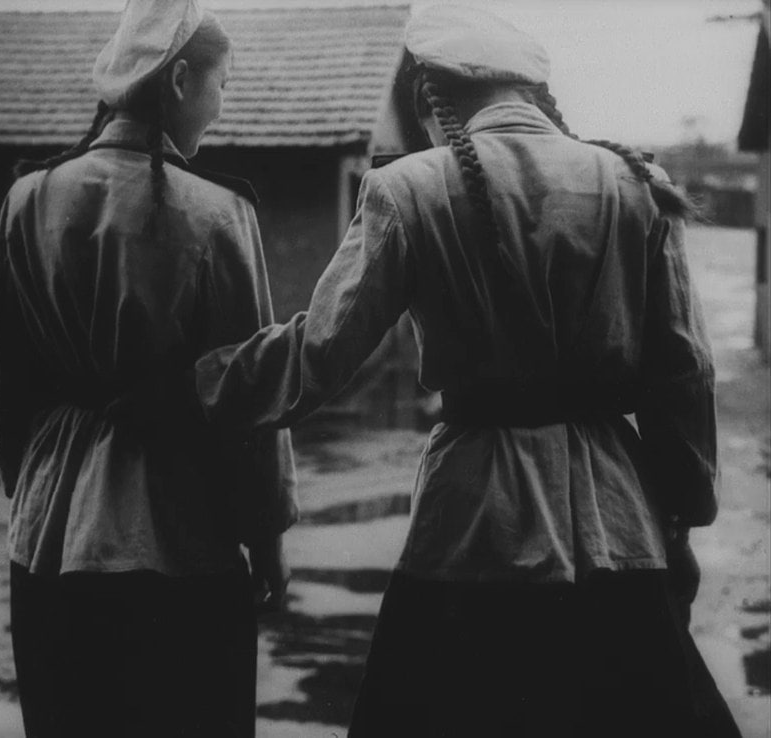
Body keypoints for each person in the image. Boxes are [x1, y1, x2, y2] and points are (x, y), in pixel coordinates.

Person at [195, 5, 740, 737]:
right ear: (534, 91)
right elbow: (685, 375)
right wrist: (682, 519)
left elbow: (319, 352)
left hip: (473, 522)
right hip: (618, 522)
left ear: (430, 97)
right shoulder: (635, 183)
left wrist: (199, 383)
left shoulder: (407, 188)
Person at [0, 2, 297, 736]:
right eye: (221, 85)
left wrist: (32, 498)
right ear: (182, 79)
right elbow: (249, 393)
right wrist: (268, 534)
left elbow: (11, 389)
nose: (220, 108)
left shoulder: (28, 198)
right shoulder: (218, 213)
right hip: (182, 538)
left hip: (50, 537)